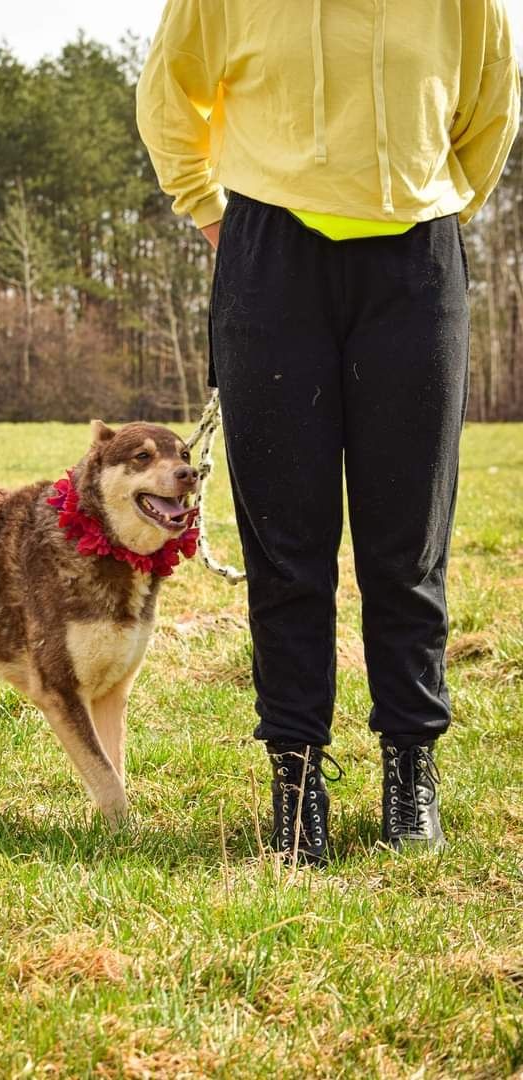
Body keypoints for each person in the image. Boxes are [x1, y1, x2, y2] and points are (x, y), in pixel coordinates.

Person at [135, 0, 521, 865]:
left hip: (415, 263)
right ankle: (296, 780)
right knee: (287, 542)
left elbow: (492, 106)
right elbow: (168, 95)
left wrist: (439, 208)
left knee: (407, 538)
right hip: (271, 254)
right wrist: (211, 212)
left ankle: (410, 768)